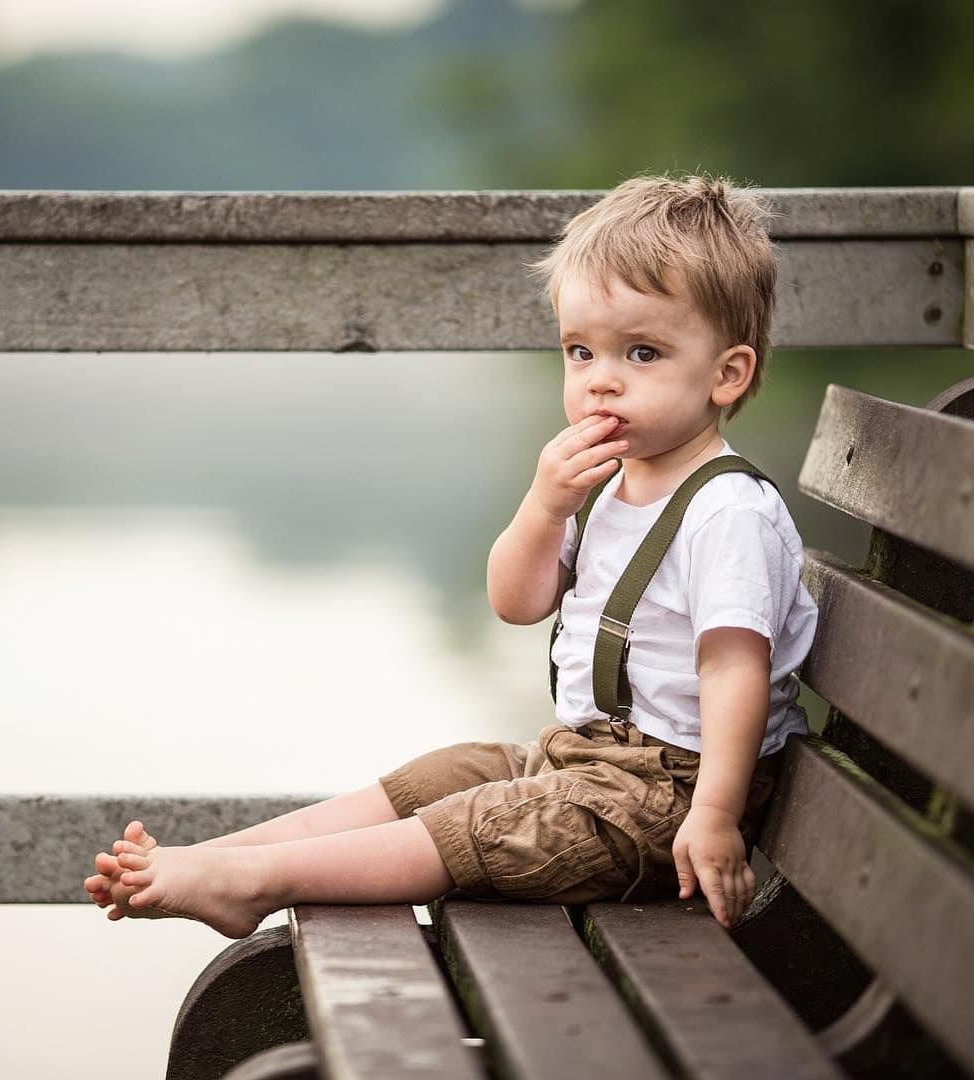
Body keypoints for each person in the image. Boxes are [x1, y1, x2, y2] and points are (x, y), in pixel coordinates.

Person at [84, 174, 817, 938]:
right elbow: (516, 601)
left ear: (727, 373)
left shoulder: (726, 511)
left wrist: (715, 816)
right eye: (579, 351)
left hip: (672, 798)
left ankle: (255, 883)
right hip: (590, 761)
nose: (601, 379)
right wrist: (543, 508)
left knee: (485, 817)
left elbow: (735, 671)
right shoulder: (605, 486)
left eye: (642, 352)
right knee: (450, 773)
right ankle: (220, 859)